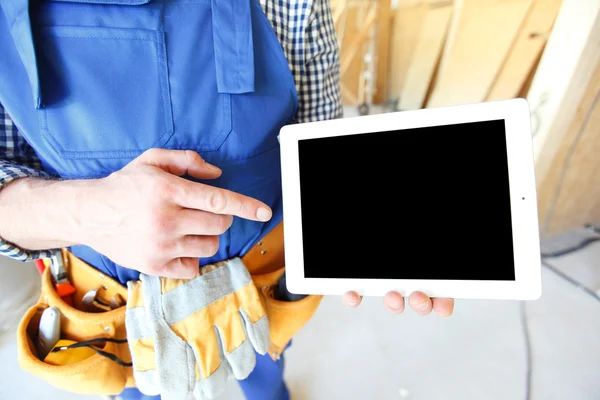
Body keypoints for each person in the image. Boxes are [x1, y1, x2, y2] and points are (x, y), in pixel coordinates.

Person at [0, 0, 454, 399]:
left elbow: (319, 154)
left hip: (260, 283)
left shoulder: (293, 3)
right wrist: (91, 214)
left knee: (265, 369)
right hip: (115, 308)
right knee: (140, 385)